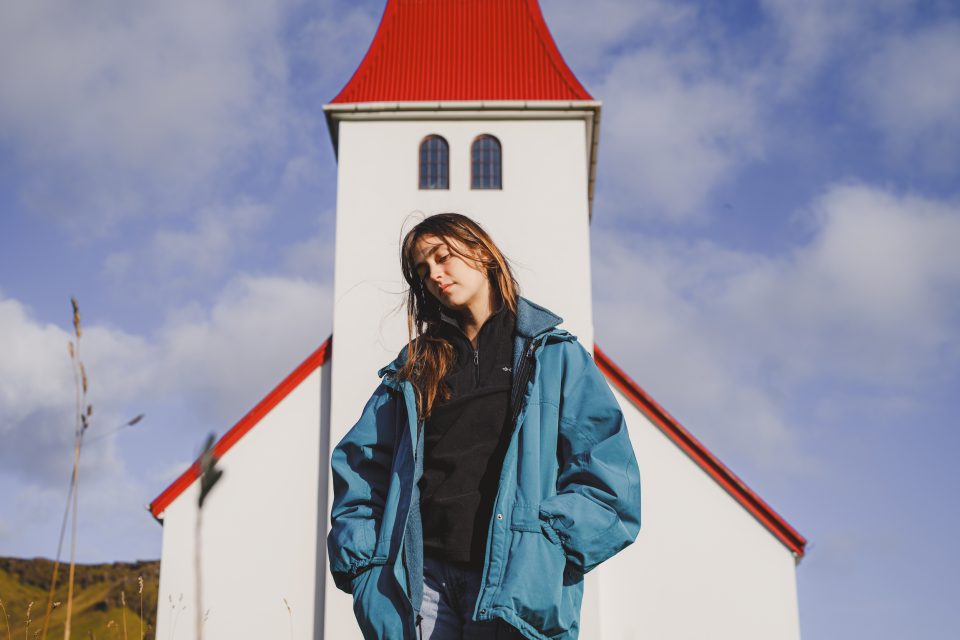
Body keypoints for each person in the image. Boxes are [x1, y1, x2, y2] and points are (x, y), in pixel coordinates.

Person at [327, 213, 641, 639]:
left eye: (443, 257)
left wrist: (546, 548)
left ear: (481, 251)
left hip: (511, 585)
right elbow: (360, 467)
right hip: (424, 586)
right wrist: (366, 564)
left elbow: (608, 479)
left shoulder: (554, 357)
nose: (435, 274)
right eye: (423, 270)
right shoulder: (414, 370)